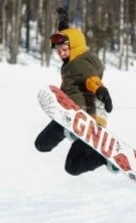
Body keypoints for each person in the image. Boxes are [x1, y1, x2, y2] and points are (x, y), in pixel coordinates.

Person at [35, 7, 116, 176]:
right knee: (69, 165)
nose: (61, 54)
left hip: (87, 116)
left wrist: (101, 91)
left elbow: (90, 78)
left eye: (64, 50)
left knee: (45, 145)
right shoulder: (72, 61)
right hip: (71, 115)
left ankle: (72, 129)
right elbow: (68, 38)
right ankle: (103, 159)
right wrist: (63, 25)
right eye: (58, 51)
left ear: (75, 46)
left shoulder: (80, 62)